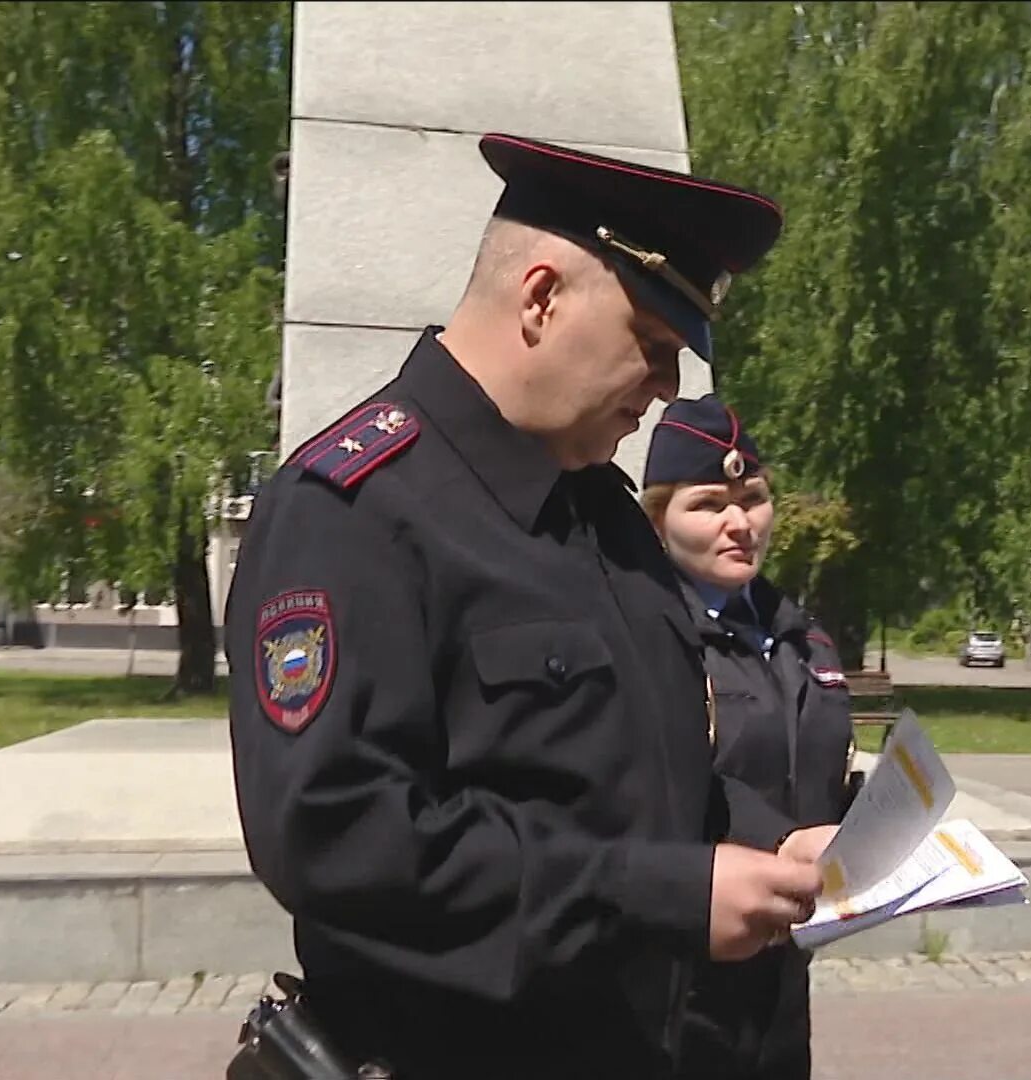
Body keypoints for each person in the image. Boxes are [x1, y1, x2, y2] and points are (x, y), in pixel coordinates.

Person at [223, 132, 838, 1080]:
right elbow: (340, 837)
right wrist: (660, 895)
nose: (671, 387)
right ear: (542, 298)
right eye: (655, 345)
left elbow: (645, 772)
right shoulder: (351, 509)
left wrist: (777, 840)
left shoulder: (606, 519)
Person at [636, 394, 859, 1080]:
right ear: (658, 519)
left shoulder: (800, 633)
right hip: (683, 980)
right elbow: (662, 777)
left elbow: (822, 768)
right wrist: (778, 841)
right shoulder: (645, 633)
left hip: (785, 975)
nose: (740, 523)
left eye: (754, 498)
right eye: (708, 505)